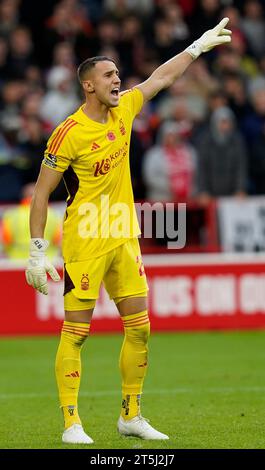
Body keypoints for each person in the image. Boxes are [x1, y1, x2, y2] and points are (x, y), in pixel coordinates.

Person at [25, 18, 231, 444]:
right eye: (109, 75)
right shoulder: (68, 133)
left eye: (118, 74)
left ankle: (130, 415)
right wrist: (36, 251)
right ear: (88, 86)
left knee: (140, 327)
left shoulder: (126, 109)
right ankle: (71, 423)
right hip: (85, 240)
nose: (118, 80)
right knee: (76, 334)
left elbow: (161, 77)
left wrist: (196, 47)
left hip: (123, 234)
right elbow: (42, 194)